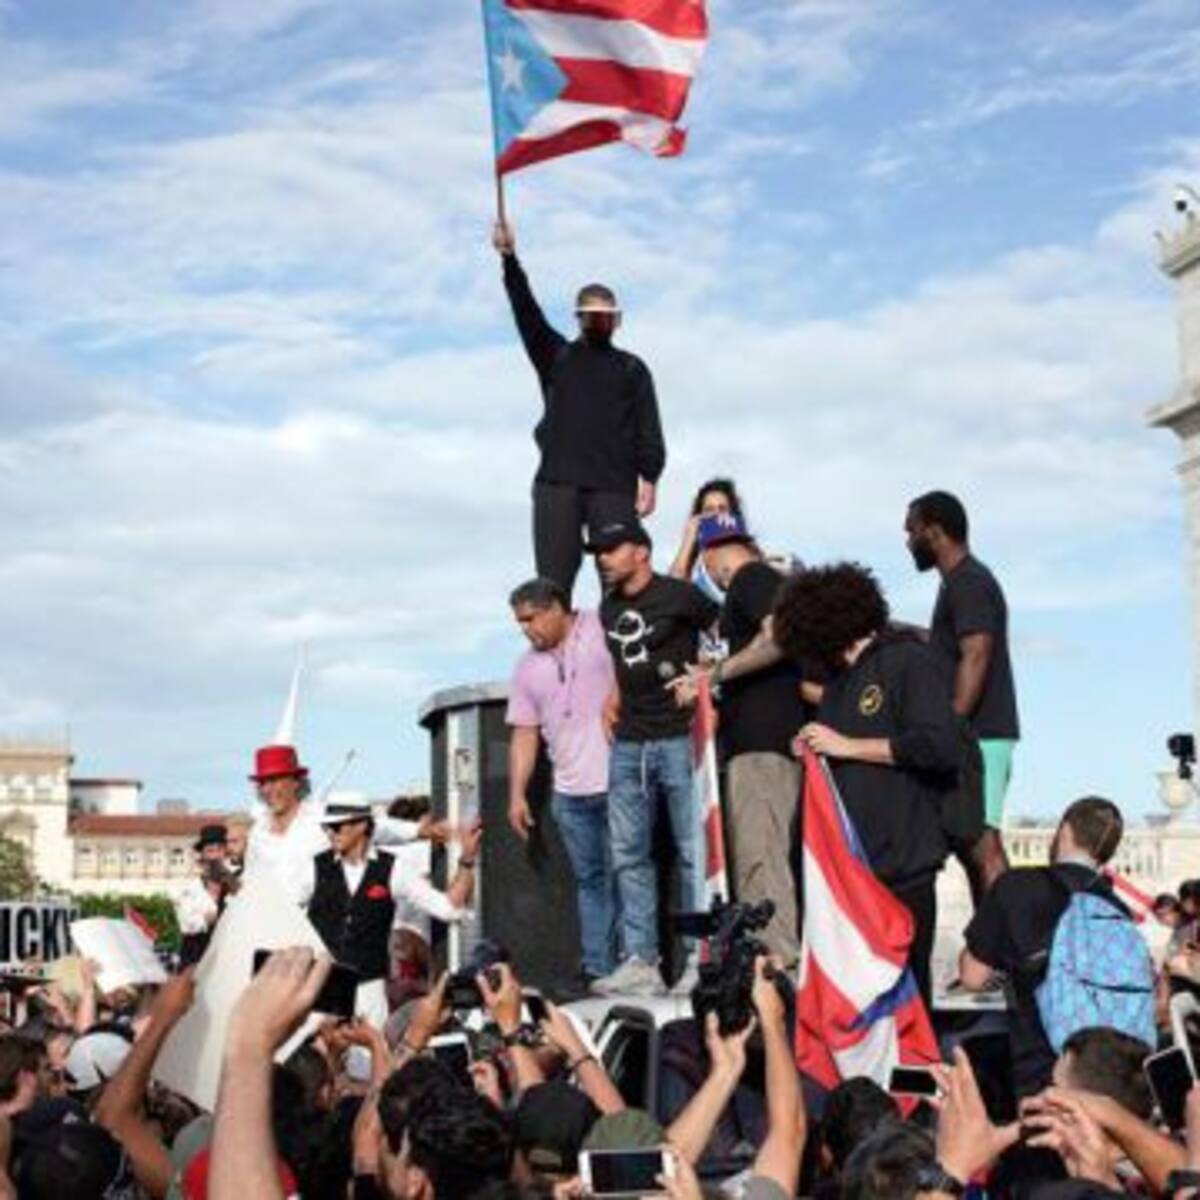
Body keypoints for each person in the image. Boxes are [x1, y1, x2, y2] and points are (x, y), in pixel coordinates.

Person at [774, 563, 958, 1005]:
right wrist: (815, 749)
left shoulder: (908, 661)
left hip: (901, 871)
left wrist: (848, 746)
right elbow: (838, 750)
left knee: (905, 1000)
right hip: (850, 877)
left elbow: (938, 747)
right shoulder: (839, 684)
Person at [492, 219, 666, 597]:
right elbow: (527, 314)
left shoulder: (632, 368)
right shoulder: (556, 356)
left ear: (617, 319)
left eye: (606, 312)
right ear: (579, 317)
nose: (599, 318)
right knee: (551, 587)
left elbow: (648, 427)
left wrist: (650, 477)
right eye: (591, 312)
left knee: (622, 584)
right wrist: (509, 258)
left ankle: (621, 637)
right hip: (558, 484)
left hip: (613, 486)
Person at [590, 519, 719, 996]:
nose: (602, 558)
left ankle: (700, 959)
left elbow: (724, 633)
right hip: (628, 743)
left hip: (678, 737)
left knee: (692, 851)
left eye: (611, 548)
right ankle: (641, 961)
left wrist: (708, 676)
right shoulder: (608, 607)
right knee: (628, 854)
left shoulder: (680, 596)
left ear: (640, 552)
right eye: (598, 551)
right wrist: (612, 698)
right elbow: (624, 665)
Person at [671, 513, 806, 964]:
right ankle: (767, 963)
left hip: (763, 748)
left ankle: (776, 964)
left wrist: (714, 675)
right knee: (756, 859)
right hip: (758, 746)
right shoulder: (757, 581)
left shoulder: (752, 578)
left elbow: (777, 637)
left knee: (761, 861)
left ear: (710, 555)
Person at [958, 796, 1128, 1099]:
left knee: (960, 1043)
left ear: (1064, 831)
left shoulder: (1017, 886)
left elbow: (973, 977)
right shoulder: (1117, 908)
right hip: (1104, 1075)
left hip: (1038, 1068)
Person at [505, 577, 620, 985]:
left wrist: (617, 698)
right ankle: (598, 968)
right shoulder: (526, 667)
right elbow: (524, 732)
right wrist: (516, 794)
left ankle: (635, 965)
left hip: (620, 781)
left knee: (629, 875)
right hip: (569, 793)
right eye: (520, 622)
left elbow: (634, 667)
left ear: (557, 608)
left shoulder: (602, 626)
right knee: (591, 882)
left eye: (532, 618)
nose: (527, 629)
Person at [905, 491, 1019, 897]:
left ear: (934, 532)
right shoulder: (959, 584)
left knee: (983, 843)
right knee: (971, 846)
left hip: (980, 734)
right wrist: (899, 631)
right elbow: (950, 645)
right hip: (975, 733)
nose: (908, 541)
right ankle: (992, 933)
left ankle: (1008, 934)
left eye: (912, 531)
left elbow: (977, 652)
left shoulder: (967, 583)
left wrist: (950, 723)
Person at [301, 801, 481, 1028]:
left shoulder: (394, 868)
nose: (330, 833)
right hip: (320, 988)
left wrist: (467, 860)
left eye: (336, 827)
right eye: (326, 828)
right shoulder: (313, 868)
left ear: (361, 825)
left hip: (369, 990)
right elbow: (281, 908)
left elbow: (448, 908)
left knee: (370, 1050)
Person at [242, 742, 434, 906]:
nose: (267, 789)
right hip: (272, 926)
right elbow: (250, 881)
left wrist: (419, 830)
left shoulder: (320, 818)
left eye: (274, 781)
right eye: (263, 783)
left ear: (296, 782)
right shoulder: (258, 833)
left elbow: (376, 827)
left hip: (319, 926)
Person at [668, 478, 745, 603]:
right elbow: (672, 590)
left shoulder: (745, 552)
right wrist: (689, 539)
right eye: (709, 509)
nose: (716, 514)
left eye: (722, 508)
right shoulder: (695, 560)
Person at [175, 824, 237, 967]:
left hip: (226, 958)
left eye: (219, 849)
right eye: (210, 850)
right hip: (196, 957)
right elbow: (186, 925)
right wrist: (207, 918)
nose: (215, 855)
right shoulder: (191, 888)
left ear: (225, 853)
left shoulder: (235, 884)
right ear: (203, 855)